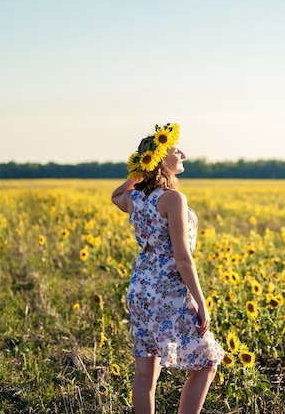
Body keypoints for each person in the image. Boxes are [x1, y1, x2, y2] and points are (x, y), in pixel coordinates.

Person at [111, 123, 224, 414]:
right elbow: (182, 258)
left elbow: (114, 196)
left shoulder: (134, 198)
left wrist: (136, 176)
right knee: (207, 363)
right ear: (161, 159)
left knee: (146, 373)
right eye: (175, 150)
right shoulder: (173, 199)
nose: (182, 153)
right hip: (168, 288)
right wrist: (201, 302)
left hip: (140, 287)